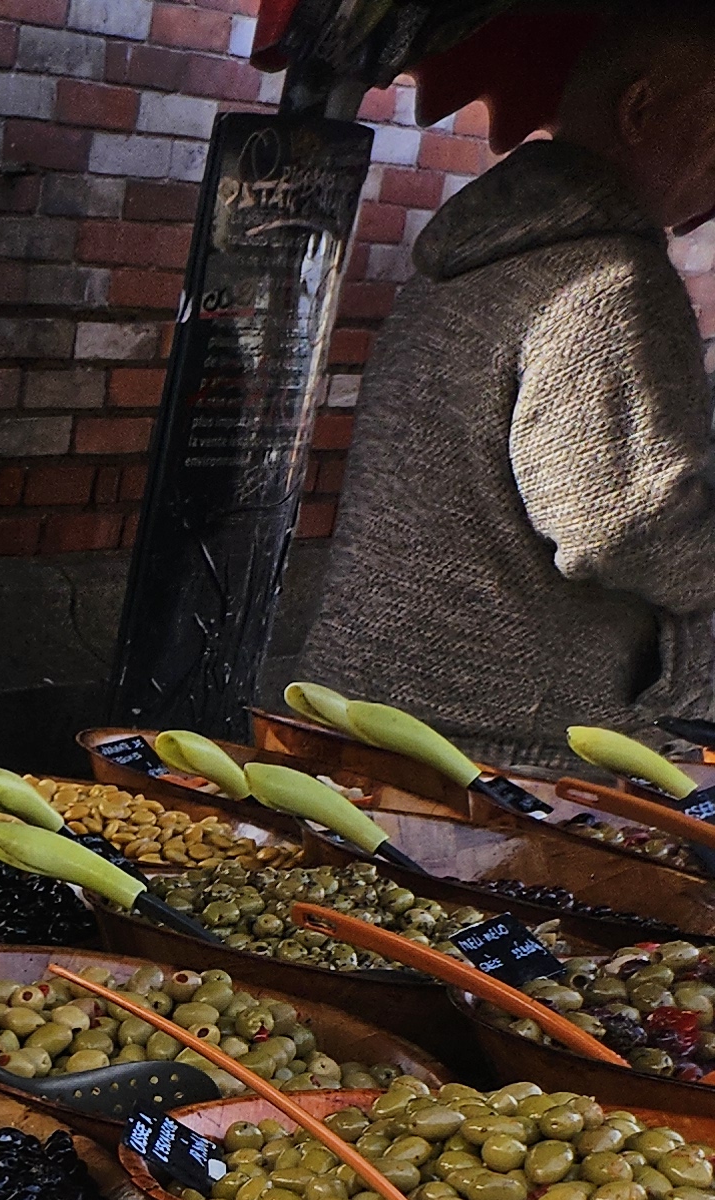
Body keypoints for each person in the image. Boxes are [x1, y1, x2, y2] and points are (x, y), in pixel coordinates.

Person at [304, 7, 715, 766]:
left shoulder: (473, 252)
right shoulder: (608, 277)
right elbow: (620, 524)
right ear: (641, 109)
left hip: (373, 706)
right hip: (503, 748)